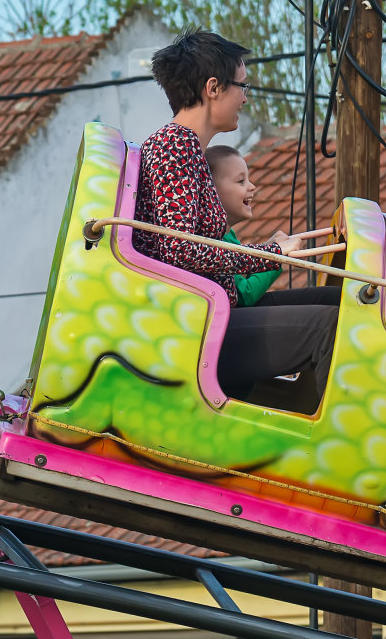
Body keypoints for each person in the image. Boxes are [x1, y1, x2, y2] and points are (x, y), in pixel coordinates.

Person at [134, 30, 337, 405]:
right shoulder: (174, 145)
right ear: (213, 87)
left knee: (341, 300)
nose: (245, 97)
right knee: (331, 327)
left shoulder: (189, 150)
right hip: (196, 329)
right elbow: (181, 249)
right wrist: (270, 253)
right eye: (242, 87)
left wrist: (271, 253)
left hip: (216, 311)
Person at [206, 144, 281, 308]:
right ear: (211, 191)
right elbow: (244, 294)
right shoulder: (215, 239)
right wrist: (279, 255)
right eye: (241, 181)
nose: (252, 186)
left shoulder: (228, 233)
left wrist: (269, 248)